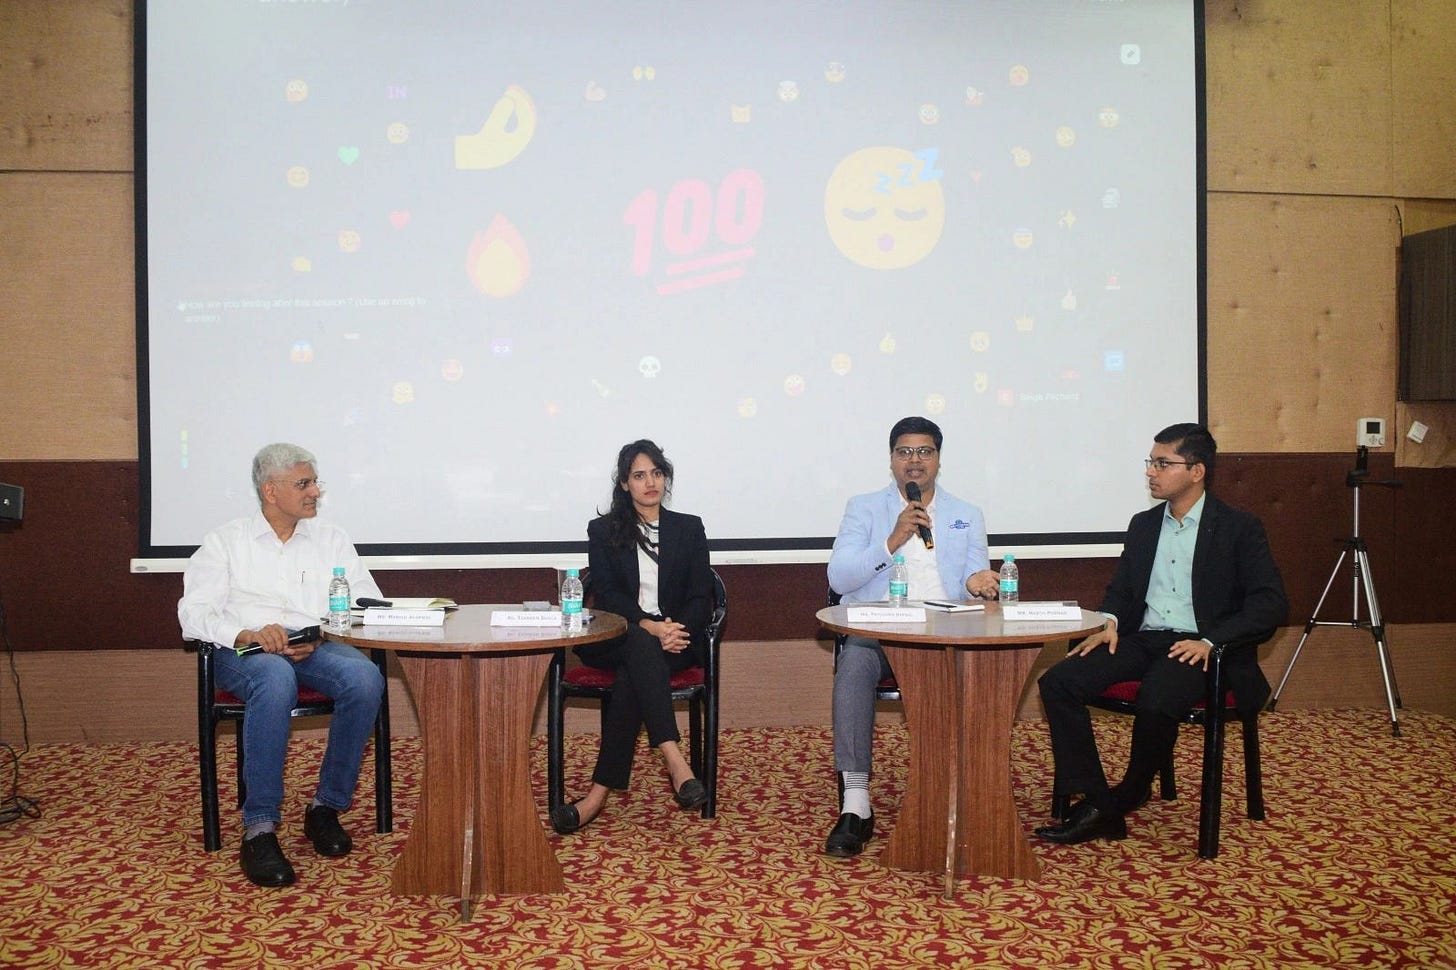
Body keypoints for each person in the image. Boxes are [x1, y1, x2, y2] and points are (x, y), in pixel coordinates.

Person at [1034, 423, 1288, 845]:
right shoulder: (1145, 524)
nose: (1150, 472)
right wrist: (1110, 620)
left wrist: (1211, 641)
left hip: (1201, 646)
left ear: (1196, 471)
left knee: (1158, 696)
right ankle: (1100, 802)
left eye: (1162, 463)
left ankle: (1131, 790)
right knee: (1059, 681)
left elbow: (1270, 604)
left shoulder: (1238, 527)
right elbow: (1123, 589)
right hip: (1145, 638)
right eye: (1150, 462)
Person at [178, 443, 386, 887]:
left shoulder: (331, 539)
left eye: (314, 482)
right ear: (271, 491)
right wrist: (246, 634)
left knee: (364, 678)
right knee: (274, 679)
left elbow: (365, 600)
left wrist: (321, 634)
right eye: (304, 484)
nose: (315, 492)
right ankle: (260, 827)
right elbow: (192, 615)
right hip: (243, 652)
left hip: (312, 646)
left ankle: (326, 807)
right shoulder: (225, 541)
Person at [824, 416, 1002, 857]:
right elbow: (840, 579)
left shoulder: (966, 514)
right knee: (853, 663)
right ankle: (856, 803)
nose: (915, 460)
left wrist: (978, 583)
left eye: (925, 451)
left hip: (946, 630)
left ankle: (961, 790)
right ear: (892, 460)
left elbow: (972, 578)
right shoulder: (864, 508)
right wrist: (893, 539)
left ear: (938, 459)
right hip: (880, 630)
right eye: (905, 452)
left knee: (985, 667)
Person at [550, 439, 714, 834]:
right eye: (639, 475)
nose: (650, 482)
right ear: (624, 483)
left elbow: (701, 596)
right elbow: (608, 596)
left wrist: (674, 630)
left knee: (634, 674)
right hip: (618, 636)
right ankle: (675, 760)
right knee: (640, 645)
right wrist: (651, 626)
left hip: (674, 641)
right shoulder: (604, 530)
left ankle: (595, 798)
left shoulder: (689, 528)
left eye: (656, 473)